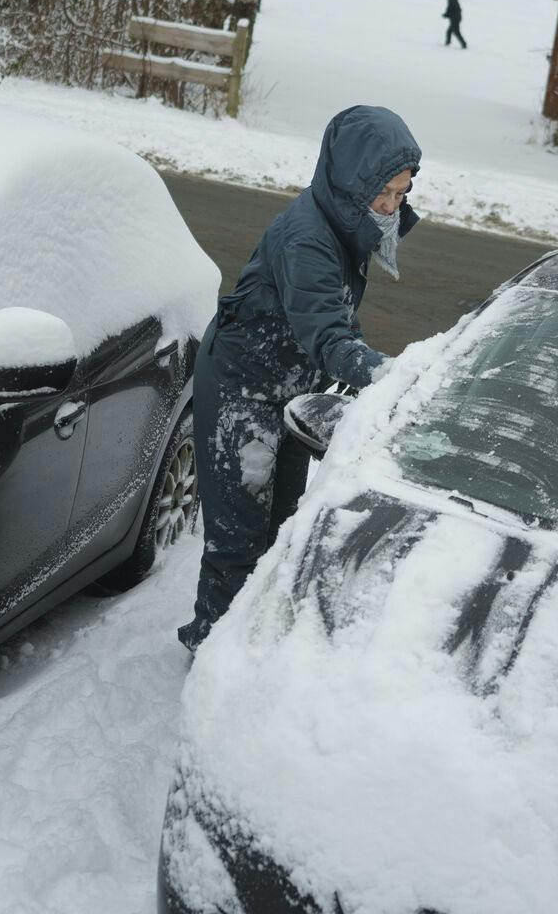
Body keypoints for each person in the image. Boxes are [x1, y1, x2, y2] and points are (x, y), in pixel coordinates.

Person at [178, 106, 421, 653]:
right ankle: (210, 652)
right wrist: (389, 376)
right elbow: (330, 337)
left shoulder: (343, 221)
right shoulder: (308, 239)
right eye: (385, 192)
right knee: (237, 544)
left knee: (278, 533)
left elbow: (334, 315)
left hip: (286, 389)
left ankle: (248, 649)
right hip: (242, 390)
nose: (392, 206)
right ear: (354, 181)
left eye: (402, 194)